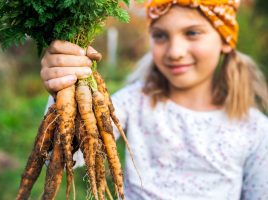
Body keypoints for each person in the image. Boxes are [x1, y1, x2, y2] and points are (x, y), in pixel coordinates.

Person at [40, 0, 268, 199]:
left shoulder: (255, 127)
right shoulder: (135, 101)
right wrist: (65, 90)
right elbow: (67, 156)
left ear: (225, 40)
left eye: (192, 33)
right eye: (160, 36)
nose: (175, 51)